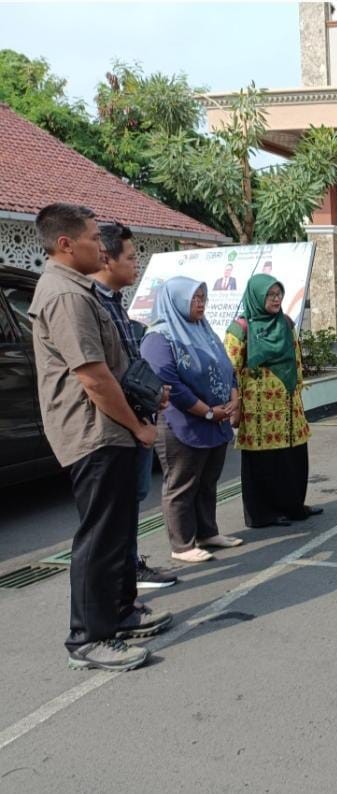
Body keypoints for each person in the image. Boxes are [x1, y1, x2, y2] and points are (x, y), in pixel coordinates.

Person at [28, 204, 171, 673]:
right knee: (100, 535)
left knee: (118, 531)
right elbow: (93, 377)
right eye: (93, 237)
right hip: (94, 431)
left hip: (108, 429)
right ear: (66, 244)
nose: (102, 246)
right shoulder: (65, 296)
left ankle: (120, 615)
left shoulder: (79, 290)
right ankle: (89, 638)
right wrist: (137, 425)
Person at [93, 222, 178, 590]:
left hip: (137, 420)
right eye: (130, 257)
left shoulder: (116, 305)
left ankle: (130, 569)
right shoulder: (90, 304)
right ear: (106, 259)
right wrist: (137, 423)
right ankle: (117, 586)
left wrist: (153, 395)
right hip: (116, 428)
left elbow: (128, 367)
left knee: (132, 502)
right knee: (111, 513)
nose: (137, 264)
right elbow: (99, 376)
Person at [141, 277, 241, 563]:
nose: (200, 303)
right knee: (181, 483)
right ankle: (182, 545)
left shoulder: (204, 330)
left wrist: (233, 398)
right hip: (182, 423)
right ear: (176, 301)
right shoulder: (159, 337)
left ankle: (207, 532)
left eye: (202, 298)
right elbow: (168, 383)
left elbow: (227, 367)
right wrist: (207, 411)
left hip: (216, 419)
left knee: (208, 480)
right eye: (194, 298)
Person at [225, 274, 323, 527]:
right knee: (263, 463)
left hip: (289, 407)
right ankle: (262, 513)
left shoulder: (286, 323)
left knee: (292, 459)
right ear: (257, 296)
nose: (276, 299)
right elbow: (230, 370)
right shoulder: (240, 329)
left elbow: (297, 358)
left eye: (279, 294)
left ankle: (293, 506)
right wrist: (234, 405)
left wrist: (297, 388)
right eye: (270, 295)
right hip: (258, 413)